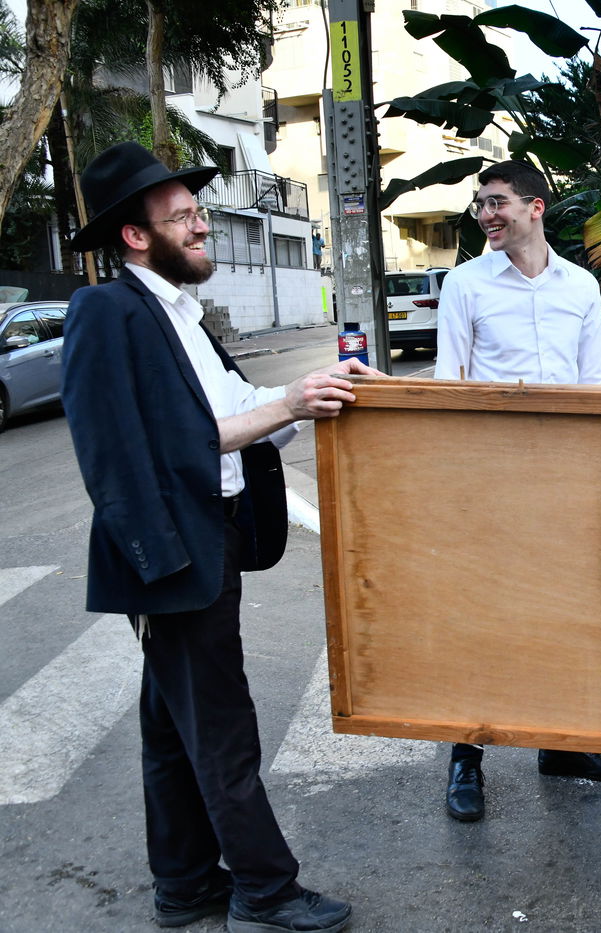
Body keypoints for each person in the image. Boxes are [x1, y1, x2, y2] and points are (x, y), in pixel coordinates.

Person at [61, 142, 380, 933]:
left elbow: (239, 405)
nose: (202, 225)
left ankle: (184, 883)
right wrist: (158, 562)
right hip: (175, 556)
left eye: (199, 213)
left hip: (213, 542)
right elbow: (118, 449)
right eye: (184, 217)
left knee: (174, 728)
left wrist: (319, 391)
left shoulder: (178, 313)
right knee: (223, 731)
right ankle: (266, 892)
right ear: (136, 235)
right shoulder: (107, 310)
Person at [432, 159, 601, 822]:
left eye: (497, 202)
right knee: (483, 616)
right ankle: (467, 757)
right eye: (480, 204)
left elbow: (598, 385)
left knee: (565, 612)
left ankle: (561, 744)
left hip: (567, 477)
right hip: (492, 477)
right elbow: (449, 384)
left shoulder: (579, 287)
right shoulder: (464, 285)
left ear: (535, 207)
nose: (486, 214)